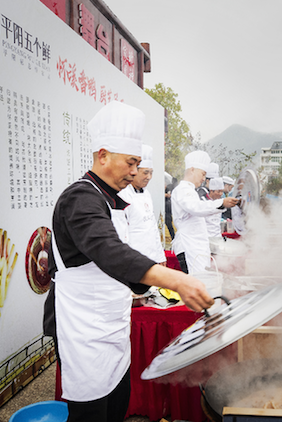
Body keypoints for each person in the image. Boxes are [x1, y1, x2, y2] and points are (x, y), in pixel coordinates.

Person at [44, 101, 213, 422]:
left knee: (117, 405)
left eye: (138, 164)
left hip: (112, 324)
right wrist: (178, 280)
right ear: (103, 156)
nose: (135, 172)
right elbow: (108, 250)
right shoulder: (80, 198)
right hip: (83, 331)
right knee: (91, 413)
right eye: (131, 163)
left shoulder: (112, 200)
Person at [172, 151, 238, 274]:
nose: (203, 179)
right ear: (192, 170)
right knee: (194, 283)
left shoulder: (190, 191)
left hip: (196, 246)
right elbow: (196, 207)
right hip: (188, 246)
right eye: (203, 174)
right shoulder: (182, 190)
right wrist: (222, 203)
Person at [119, 144, 166, 266]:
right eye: (145, 172)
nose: (149, 177)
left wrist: (160, 256)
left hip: (152, 258)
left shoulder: (147, 194)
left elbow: (153, 227)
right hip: (134, 260)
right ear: (134, 171)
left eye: (151, 172)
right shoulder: (123, 195)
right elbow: (123, 235)